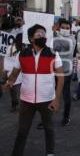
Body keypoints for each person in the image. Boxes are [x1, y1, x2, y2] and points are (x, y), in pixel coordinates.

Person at [4, 24, 64, 156]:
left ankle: (50, 153)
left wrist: (57, 99)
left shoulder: (53, 53)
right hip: (26, 100)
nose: (42, 36)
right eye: (38, 34)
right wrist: (10, 82)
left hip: (47, 99)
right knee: (22, 131)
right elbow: (14, 73)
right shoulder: (22, 54)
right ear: (31, 38)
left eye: (43, 34)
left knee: (49, 128)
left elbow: (61, 78)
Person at [53, 19, 76, 126]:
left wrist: (55, 34)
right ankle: (47, 117)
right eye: (63, 27)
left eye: (67, 28)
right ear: (59, 27)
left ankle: (66, 117)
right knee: (50, 94)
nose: (65, 30)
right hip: (53, 71)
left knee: (65, 95)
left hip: (66, 71)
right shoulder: (54, 36)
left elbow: (66, 48)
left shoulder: (72, 39)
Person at [3, 33, 23, 112]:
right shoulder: (12, 48)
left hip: (21, 72)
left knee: (20, 91)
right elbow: (7, 59)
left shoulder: (24, 47)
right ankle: (14, 104)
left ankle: (21, 105)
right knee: (13, 90)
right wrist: (6, 69)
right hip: (12, 71)